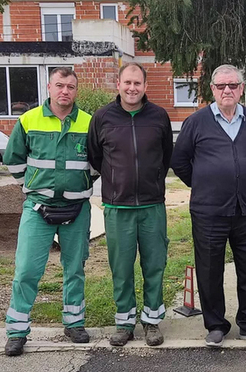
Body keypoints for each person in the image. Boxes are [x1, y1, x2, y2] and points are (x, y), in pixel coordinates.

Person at [171, 64, 246, 348]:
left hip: (245, 209)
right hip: (208, 212)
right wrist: (204, 184)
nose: (227, 90)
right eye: (221, 86)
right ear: (212, 89)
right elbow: (179, 162)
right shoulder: (196, 122)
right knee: (210, 270)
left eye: (233, 85)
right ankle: (215, 325)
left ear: (241, 88)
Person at [3, 67, 93, 356]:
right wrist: (30, 186)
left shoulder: (91, 123)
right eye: (59, 85)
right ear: (49, 87)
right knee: (27, 270)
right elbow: (13, 159)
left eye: (70, 86)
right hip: (37, 208)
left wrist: (80, 184)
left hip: (76, 209)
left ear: (76, 91)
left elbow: (99, 161)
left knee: (75, 269)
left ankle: (74, 323)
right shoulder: (29, 120)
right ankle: (16, 331)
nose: (65, 91)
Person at [87, 63, 173, 347]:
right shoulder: (102, 117)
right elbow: (95, 156)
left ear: (145, 86)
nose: (132, 88)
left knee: (155, 265)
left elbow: (166, 156)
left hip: (152, 206)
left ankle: (151, 321)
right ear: (119, 84)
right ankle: (124, 323)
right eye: (127, 83)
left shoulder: (159, 117)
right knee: (121, 268)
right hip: (118, 207)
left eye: (138, 83)